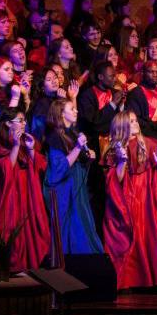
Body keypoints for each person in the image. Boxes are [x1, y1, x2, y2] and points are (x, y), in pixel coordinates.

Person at [102, 111, 157, 289]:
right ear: (122, 126)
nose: (136, 123)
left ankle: (155, 279)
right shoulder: (115, 149)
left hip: (148, 197)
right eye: (131, 121)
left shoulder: (150, 144)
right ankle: (130, 279)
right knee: (130, 236)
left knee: (152, 235)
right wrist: (122, 162)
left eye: (136, 120)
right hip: (127, 198)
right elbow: (113, 182)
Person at [0, 109, 51, 270]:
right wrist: (15, 145)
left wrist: (30, 149)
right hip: (10, 196)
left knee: (32, 233)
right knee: (14, 236)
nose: (24, 124)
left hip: (27, 194)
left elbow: (41, 166)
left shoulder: (26, 141)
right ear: (8, 123)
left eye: (24, 120)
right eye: (20, 120)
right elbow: (6, 169)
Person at [43, 99, 103, 255]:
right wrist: (77, 148)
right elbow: (59, 168)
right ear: (61, 114)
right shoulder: (54, 137)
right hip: (65, 191)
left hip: (76, 189)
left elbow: (79, 163)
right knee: (68, 229)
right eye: (72, 109)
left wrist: (88, 156)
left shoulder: (73, 133)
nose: (76, 111)